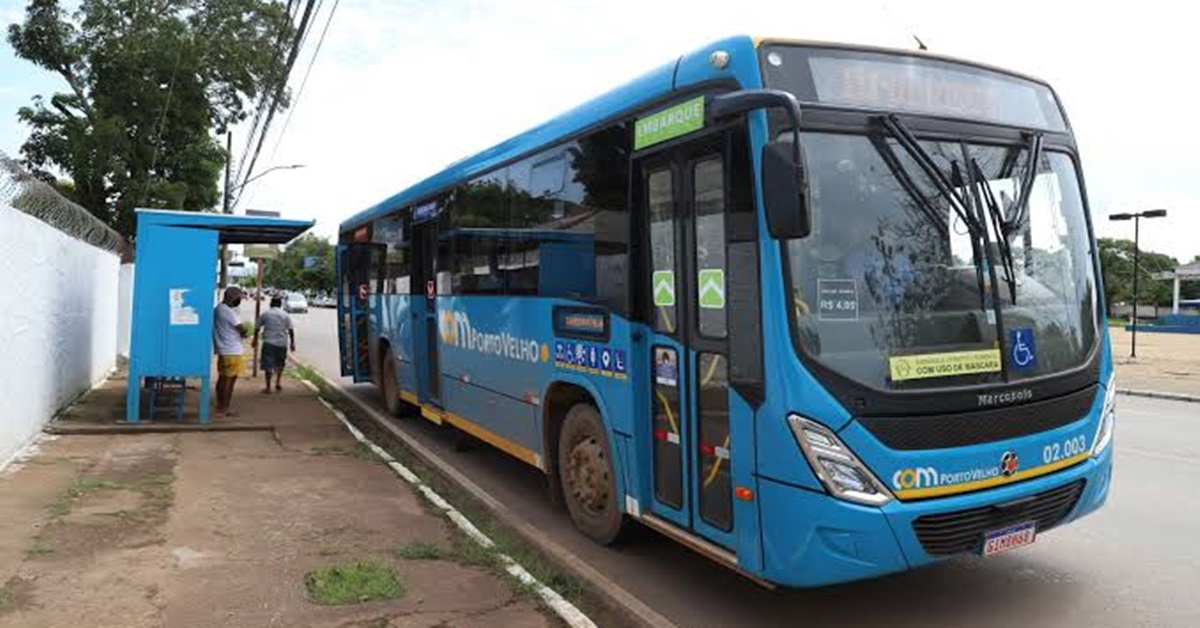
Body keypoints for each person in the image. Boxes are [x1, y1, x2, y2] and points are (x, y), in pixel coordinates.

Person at [213, 286, 249, 416]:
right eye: (239, 297)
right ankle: (224, 408)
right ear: (232, 297)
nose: (239, 300)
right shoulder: (228, 312)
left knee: (222, 379)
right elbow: (242, 329)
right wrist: (245, 332)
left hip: (223, 350)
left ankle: (220, 406)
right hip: (233, 351)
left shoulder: (218, 309)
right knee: (230, 381)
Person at [253, 296, 295, 393]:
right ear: (280, 304)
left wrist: (255, 340)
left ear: (271, 304)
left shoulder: (266, 314)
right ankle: (278, 382)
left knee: (268, 365)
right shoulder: (285, 315)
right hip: (282, 343)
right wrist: (292, 343)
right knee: (280, 363)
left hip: (269, 342)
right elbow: (291, 329)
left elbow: (257, 327)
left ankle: (268, 387)